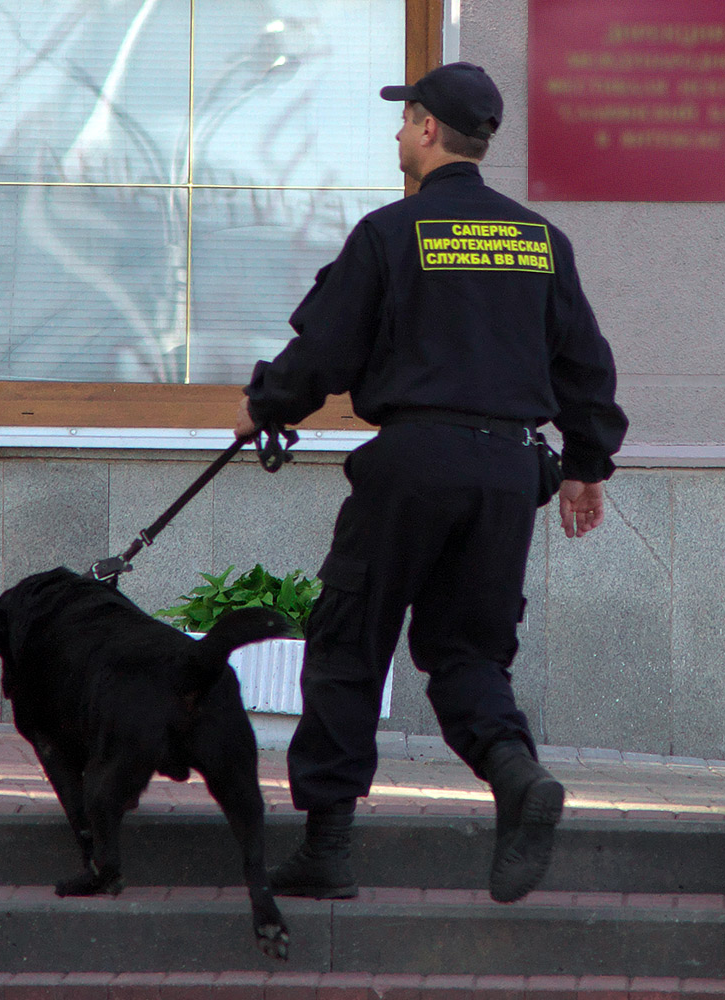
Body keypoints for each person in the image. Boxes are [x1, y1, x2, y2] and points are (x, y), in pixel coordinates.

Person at [233, 62, 628, 904]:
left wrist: (263, 404)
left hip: (412, 464)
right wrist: (586, 465)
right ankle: (516, 776)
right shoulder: (540, 241)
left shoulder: (389, 233)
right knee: (468, 653)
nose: (397, 135)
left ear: (422, 127)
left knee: (349, 644)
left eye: (402, 120)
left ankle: (328, 849)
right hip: (506, 472)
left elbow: (327, 354)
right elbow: (588, 370)